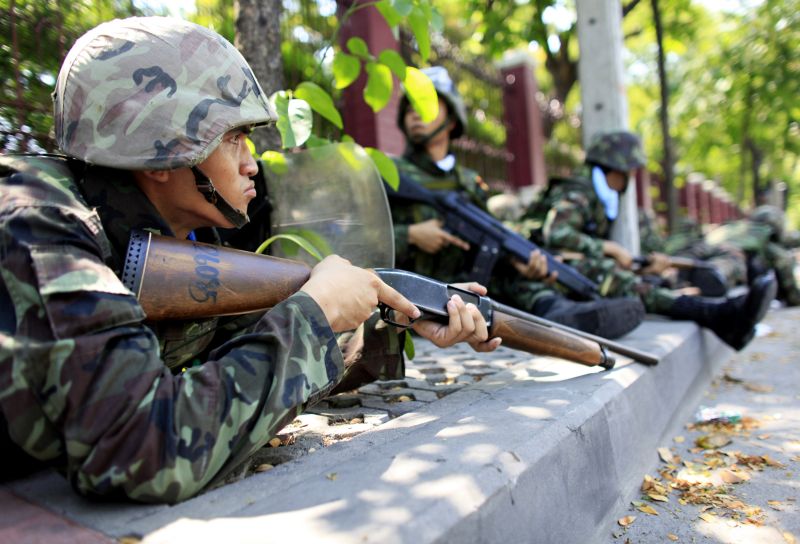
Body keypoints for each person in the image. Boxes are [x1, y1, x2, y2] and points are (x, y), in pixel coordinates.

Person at [0, 17, 499, 504]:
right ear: (165, 149)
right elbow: (141, 449)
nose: (251, 162)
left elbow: (233, 373)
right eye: (233, 137)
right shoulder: (38, 226)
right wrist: (314, 315)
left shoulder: (167, 237)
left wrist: (396, 317)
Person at [388, 66, 645, 340]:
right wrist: (411, 235)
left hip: (465, 287)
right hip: (417, 296)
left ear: (451, 119)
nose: (414, 113)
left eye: (425, 105)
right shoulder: (389, 172)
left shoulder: (468, 181)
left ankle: (560, 314)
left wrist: (517, 260)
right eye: (409, 107)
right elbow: (355, 239)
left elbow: (488, 240)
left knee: (520, 274)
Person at [521, 130, 776, 350]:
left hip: (555, 267)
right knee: (611, 277)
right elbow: (556, 235)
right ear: (615, 168)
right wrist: (609, 248)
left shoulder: (597, 196)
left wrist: (638, 265)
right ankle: (716, 314)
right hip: (535, 267)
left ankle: (720, 317)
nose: (629, 179)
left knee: (627, 277)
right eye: (628, 171)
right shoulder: (579, 191)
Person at [703, 205, 800, 306]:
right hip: (724, 265)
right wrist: (795, 298)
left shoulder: (735, 228)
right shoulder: (762, 236)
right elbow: (784, 263)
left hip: (704, 256)